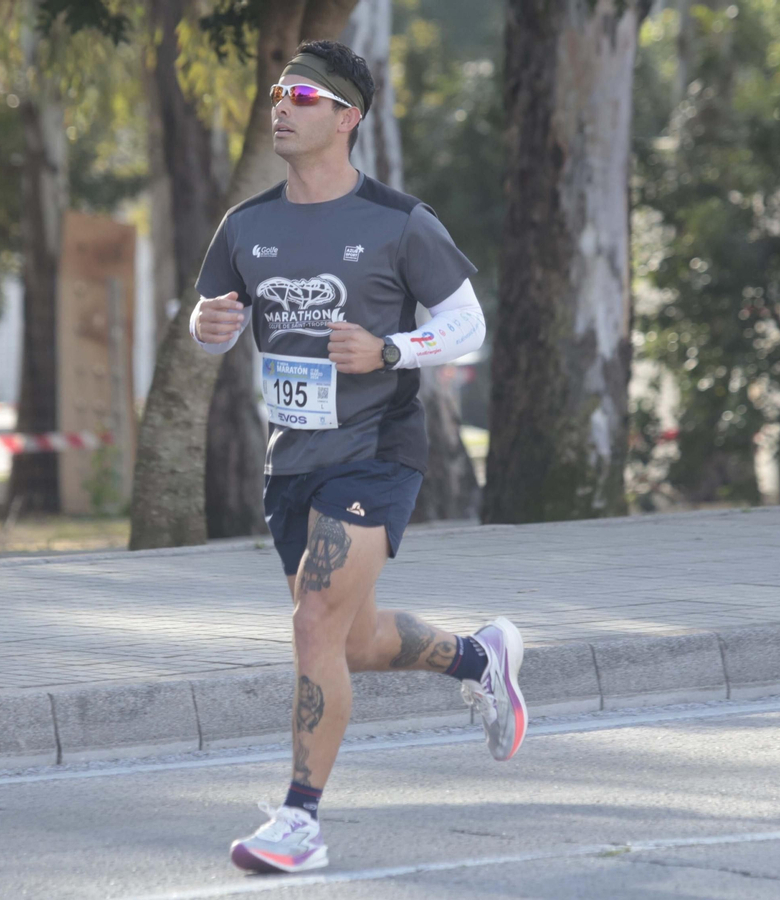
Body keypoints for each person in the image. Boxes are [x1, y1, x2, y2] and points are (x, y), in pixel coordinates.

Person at [188, 40, 526, 874]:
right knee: (351, 641)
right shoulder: (246, 226)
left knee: (313, 624)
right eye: (278, 92)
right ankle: (479, 657)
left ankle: (300, 821)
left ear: (348, 118)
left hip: (377, 448)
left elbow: (468, 323)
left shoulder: (399, 221)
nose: (282, 106)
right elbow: (211, 323)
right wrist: (207, 327)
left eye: (302, 96)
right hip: (292, 459)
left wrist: (392, 350)